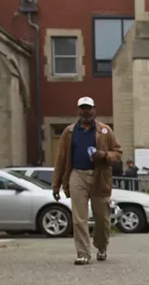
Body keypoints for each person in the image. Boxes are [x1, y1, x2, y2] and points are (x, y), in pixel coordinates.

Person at [52, 96, 122, 265]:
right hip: (77, 174)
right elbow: (60, 158)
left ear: (94, 109)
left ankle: (101, 246)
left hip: (99, 176)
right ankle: (83, 253)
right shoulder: (69, 132)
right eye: (83, 108)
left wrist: (105, 155)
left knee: (102, 218)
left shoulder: (104, 130)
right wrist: (56, 184)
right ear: (78, 110)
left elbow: (118, 153)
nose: (86, 111)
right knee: (79, 218)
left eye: (88, 108)